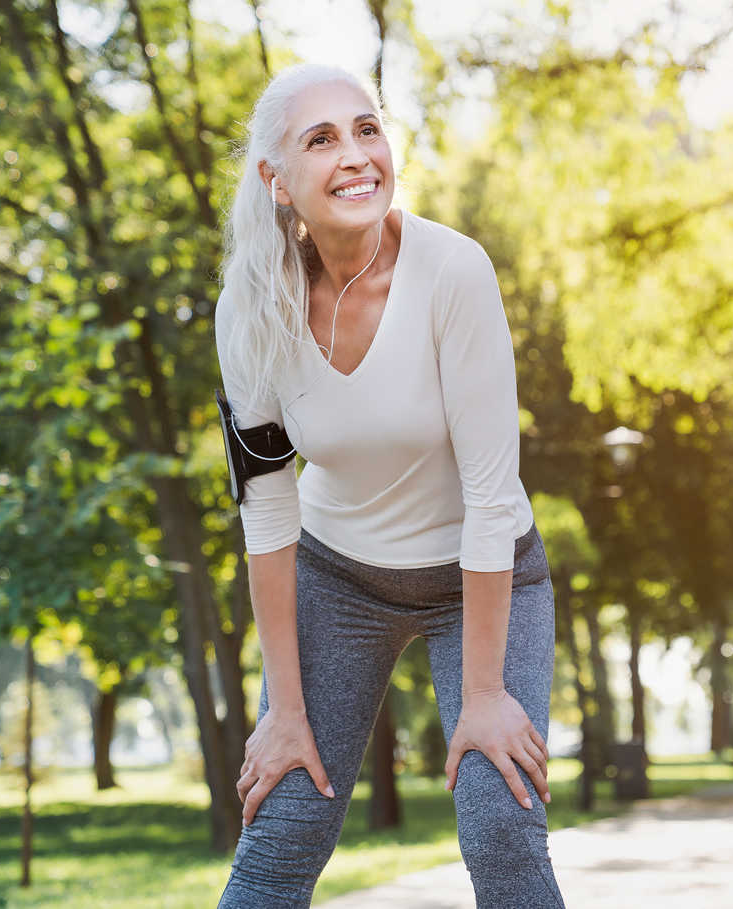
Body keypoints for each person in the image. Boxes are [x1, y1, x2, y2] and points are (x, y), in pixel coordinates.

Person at [213, 62, 566, 908]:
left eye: (367, 129)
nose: (356, 155)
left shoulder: (453, 271)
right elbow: (266, 512)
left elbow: (491, 495)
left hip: (485, 575)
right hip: (338, 580)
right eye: (322, 138)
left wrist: (484, 696)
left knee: (500, 819)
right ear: (277, 181)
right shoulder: (249, 307)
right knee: (281, 826)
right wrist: (284, 710)